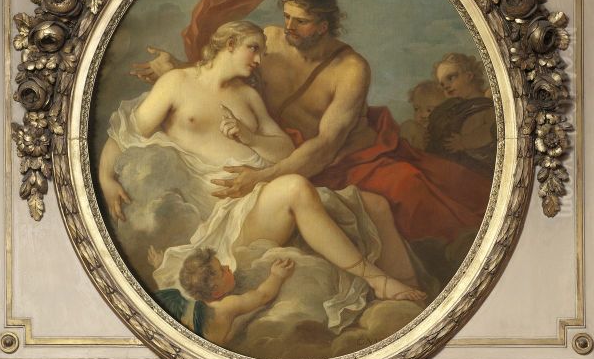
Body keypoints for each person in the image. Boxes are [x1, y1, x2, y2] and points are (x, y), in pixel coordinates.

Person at [131, 0, 492, 243]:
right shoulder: (270, 40)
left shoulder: (351, 69)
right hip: (279, 148)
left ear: (323, 25)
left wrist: (262, 177)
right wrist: (176, 69)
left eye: (301, 21)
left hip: (345, 158)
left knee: (408, 191)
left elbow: (327, 145)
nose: (289, 27)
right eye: (287, 17)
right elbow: (222, 74)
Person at [100, 20, 425, 308]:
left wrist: (249, 137)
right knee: (295, 188)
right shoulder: (177, 83)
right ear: (230, 44)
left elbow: (284, 151)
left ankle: (416, 300)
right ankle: (377, 280)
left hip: (261, 196)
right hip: (224, 216)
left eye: (262, 52)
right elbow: (125, 134)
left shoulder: (247, 96)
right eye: (253, 49)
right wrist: (105, 177)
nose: (258, 60)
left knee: (375, 205)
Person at [150, 246, 295, 346]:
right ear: (216, 291)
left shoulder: (187, 305)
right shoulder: (225, 307)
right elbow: (263, 295)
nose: (227, 267)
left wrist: (160, 267)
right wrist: (277, 275)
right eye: (222, 270)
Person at [427, 53, 497, 177]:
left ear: (469, 76)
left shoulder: (486, 105)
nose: (446, 86)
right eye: (442, 84)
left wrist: (464, 142)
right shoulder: (454, 107)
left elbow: (490, 131)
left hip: (475, 168)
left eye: (451, 78)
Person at [400, 81, 446, 150]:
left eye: (429, 110)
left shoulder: (444, 129)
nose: (423, 115)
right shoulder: (413, 128)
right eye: (417, 109)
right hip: (412, 155)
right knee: (408, 126)